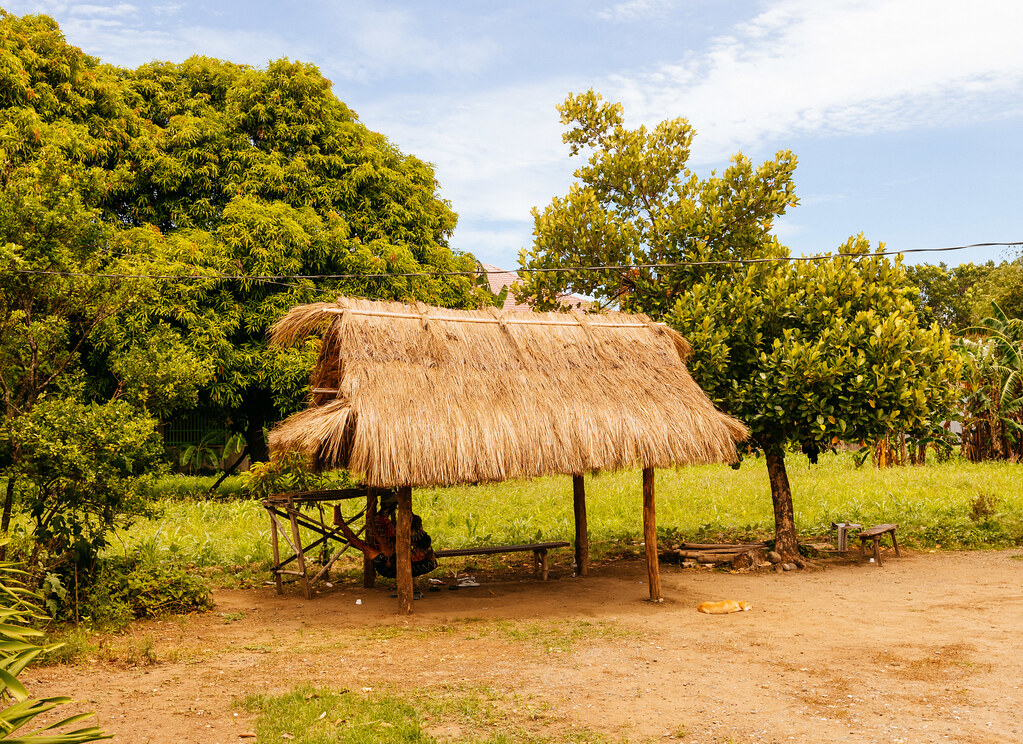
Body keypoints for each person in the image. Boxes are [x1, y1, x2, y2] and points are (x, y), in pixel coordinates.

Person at [336, 500, 437, 579]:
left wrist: (370, 519)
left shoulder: (422, 554)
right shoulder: (420, 542)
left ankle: (340, 522)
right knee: (386, 540)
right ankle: (367, 519)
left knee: (363, 545)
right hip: (398, 560)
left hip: (387, 567)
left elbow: (381, 540)